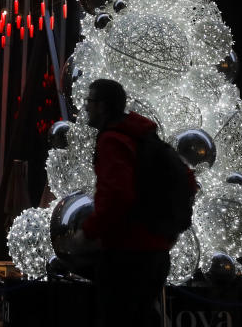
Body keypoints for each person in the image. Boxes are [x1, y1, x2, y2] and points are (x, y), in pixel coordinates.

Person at [80, 78, 193, 327]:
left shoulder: (113, 140)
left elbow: (117, 196)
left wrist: (88, 232)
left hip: (127, 253)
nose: (85, 107)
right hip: (155, 251)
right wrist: (168, 229)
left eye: (89, 101)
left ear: (102, 106)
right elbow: (187, 177)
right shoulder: (144, 137)